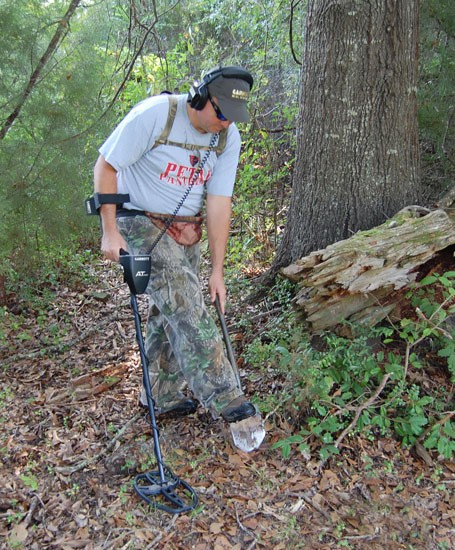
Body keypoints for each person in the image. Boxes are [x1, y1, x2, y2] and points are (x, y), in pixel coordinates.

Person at [93, 66, 258, 427]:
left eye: (233, 117)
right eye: (221, 113)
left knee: (166, 310)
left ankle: (159, 394)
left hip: (185, 229)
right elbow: (105, 166)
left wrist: (217, 270)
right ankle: (227, 397)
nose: (226, 123)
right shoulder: (155, 115)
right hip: (136, 220)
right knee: (184, 300)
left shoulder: (227, 138)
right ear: (200, 97)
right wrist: (109, 231)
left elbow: (218, 203)